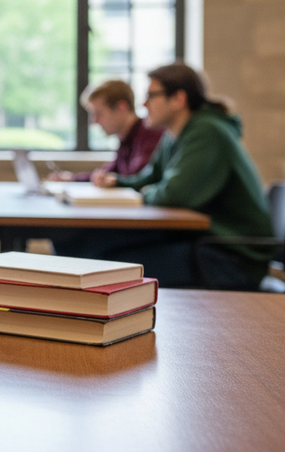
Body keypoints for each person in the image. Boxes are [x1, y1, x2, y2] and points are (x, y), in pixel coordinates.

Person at [64, 62, 274, 289]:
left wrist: (146, 192)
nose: (144, 104)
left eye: (151, 96)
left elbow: (173, 194)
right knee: (91, 247)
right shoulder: (173, 134)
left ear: (178, 99)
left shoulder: (207, 131)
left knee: (106, 263)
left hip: (231, 258)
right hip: (201, 243)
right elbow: (149, 179)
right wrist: (119, 182)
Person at [48, 79, 163, 185]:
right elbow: (109, 172)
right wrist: (72, 179)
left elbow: (137, 178)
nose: (94, 122)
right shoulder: (126, 137)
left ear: (121, 108)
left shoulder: (150, 134)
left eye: (98, 114)